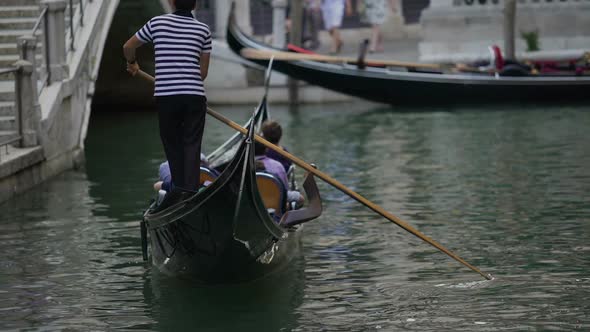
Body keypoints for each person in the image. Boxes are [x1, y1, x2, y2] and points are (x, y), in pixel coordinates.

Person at [123, 0, 212, 210]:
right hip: (194, 95)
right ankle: (189, 192)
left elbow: (128, 46)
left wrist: (132, 62)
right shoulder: (203, 30)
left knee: (172, 142)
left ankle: (180, 190)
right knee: (191, 143)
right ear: (195, 4)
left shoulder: (156, 23)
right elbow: (203, 73)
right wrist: (186, 77)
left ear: (171, 2)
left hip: (167, 96)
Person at [254, 141, 304, 207]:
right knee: (300, 198)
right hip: (275, 206)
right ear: (266, 149)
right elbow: (284, 189)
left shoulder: (243, 167)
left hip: (254, 203)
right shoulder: (277, 166)